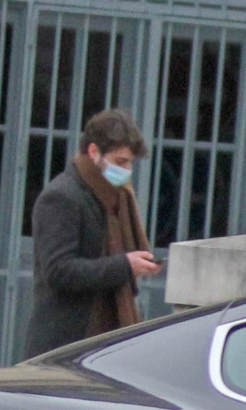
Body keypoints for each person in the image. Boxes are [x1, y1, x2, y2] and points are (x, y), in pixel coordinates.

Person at [24, 109, 162, 358]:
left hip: (103, 344)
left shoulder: (116, 197)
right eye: (121, 161)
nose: (127, 169)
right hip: (66, 343)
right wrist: (124, 266)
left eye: (130, 162)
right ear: (94, 152)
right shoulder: (61, 197)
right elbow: (58, 271)